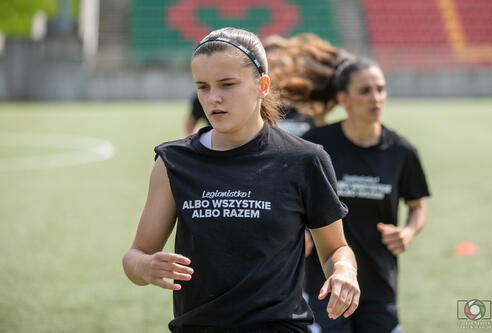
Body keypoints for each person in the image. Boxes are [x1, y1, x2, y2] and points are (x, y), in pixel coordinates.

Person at [122, 27, 360, 332]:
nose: (213, 98)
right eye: (202, 87)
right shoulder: (173, 162)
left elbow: (336, 249)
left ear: (262, 85)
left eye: (227, 84)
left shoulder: (305, 159)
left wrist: (344, 271)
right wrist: (145, 266)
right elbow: (135, 255)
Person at [302, 57, 430, 332]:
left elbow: (417, 206)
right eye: (365, 91)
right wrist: (298, 231)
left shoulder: (401, 151)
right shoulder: (316, 145)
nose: (376, 97)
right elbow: (294, 200)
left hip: (379, 284)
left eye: (380, 89)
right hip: (326, 284)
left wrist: (407, 232)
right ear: (343, 99)